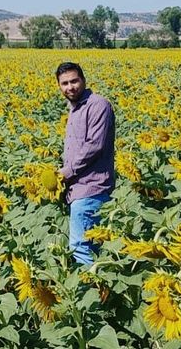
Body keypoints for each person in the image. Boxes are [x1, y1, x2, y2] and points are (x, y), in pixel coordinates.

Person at [56, 62, 115, 265]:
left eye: (74, 81)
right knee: (90, 250)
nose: (70, 87)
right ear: (59, 86)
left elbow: (94, 146)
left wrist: (67, 171)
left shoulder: (98, 105)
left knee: (83, 250)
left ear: (83, 80)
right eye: (65, 83)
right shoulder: (74, 110)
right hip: (77, 190)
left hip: (91, 188)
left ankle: (91, 294)